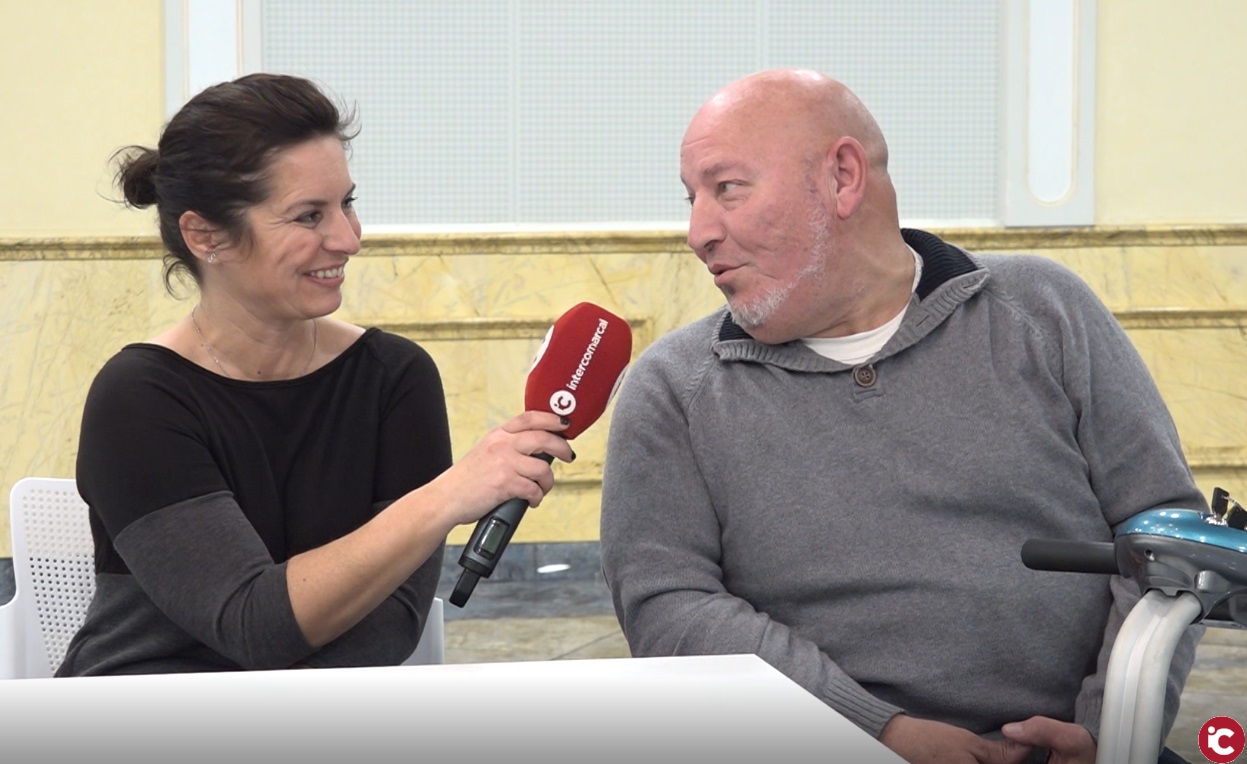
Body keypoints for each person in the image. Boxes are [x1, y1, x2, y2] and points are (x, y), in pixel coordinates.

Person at [599, 68, 1204, 764]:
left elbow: (1167, 533)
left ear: (842, 177)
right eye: (692, 198)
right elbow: (668, 604)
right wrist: (873, 732)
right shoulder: (673, 388)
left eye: (727, 188)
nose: (698, 231)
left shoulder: (1043, 311)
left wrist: (1111, 731)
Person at [57, 73, 573, 676]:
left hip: (321, 715)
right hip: (140, 711)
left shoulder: (394, 378)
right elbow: (250, 624)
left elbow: (393, 622)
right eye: (308, 216)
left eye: (347, 203)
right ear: (205, 235)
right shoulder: (139, 398)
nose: (348, 239)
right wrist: (446, 497)